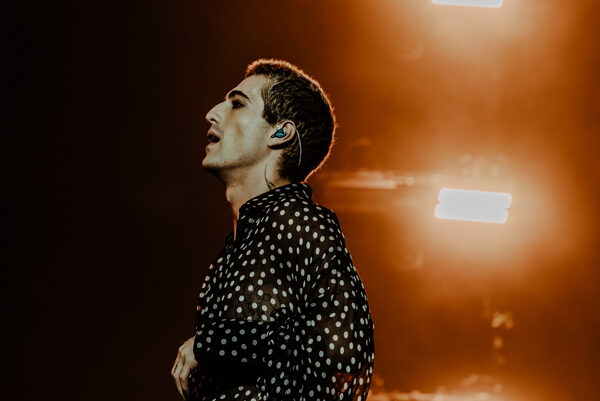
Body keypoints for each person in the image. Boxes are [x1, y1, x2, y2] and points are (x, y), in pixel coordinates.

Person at [171, 59, 375, 400]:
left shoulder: (298, 222)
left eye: (238, 104)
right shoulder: (243, 242)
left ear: (280, 133)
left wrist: (214, 344)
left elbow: (342, 352)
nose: (212, 113)